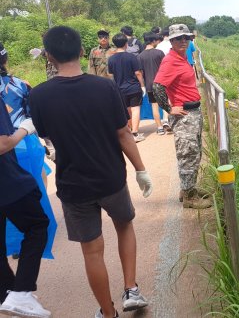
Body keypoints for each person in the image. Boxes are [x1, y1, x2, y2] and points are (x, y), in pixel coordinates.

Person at [29, 25, 153, 318]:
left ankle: (108, 313)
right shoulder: (105, 87)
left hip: (73, 185)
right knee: (124, 226)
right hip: (110, 177)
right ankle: (131, 289)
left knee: (92, 250)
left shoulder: (39, 96)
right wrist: (140, 169)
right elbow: (123, 133)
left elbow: (47, 135)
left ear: (48, 56)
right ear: (82, 51)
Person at [0, 100, 51, 318]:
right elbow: (3, 144)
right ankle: (20, 292)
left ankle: (8, 293)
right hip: (7, 182)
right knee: (37, 226)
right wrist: (25, 128)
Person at [153, 24, 212, 209]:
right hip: (185, 115)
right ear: (171, 40)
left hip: (193, 112)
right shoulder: (170, 60)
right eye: (179, 38)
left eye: (186, 37)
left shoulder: (181, 57)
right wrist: (169, 109)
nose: (183, 41)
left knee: (194, 153)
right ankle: (188, 197)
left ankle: (189, 188)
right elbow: (157, 86)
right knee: (187, 154)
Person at [108, 33, 146, 143]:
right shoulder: (131, 57)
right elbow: (138, 73)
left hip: (120, 89)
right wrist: (142, 85)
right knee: (135, 109)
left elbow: (111, 75)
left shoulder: (111, 59)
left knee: (127, 110)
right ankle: (135, 132)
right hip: (133, 87)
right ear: (126, 44)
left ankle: (130, 132)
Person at [138, 32, 170, 135]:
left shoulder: (140, 56)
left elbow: (140, 72)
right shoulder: (159, 53)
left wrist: (142, 85)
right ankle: (166, 120)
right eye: (156, 40)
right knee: (165, 102)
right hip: (161, 82)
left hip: (149, 84)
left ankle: (159, 128)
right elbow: (165, 68)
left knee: (154, 106)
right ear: (153, 41)